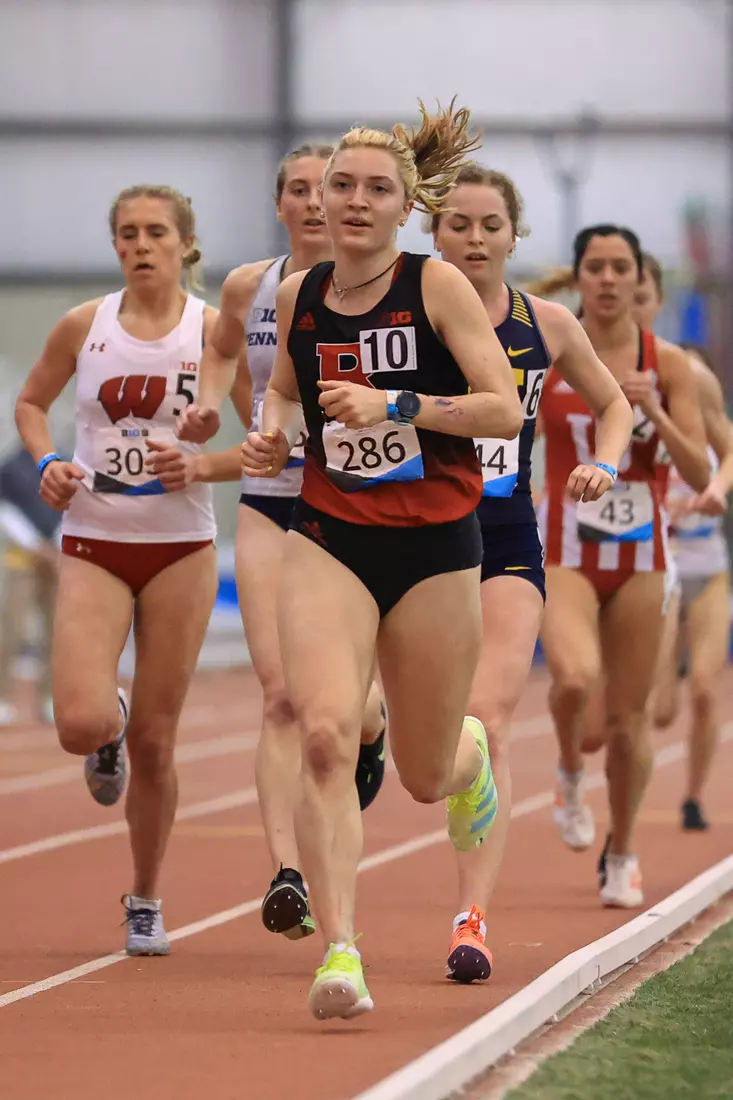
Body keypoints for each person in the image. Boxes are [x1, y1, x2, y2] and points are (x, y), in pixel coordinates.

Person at [242, 99, 610, 1021]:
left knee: (422, 771)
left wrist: (396, 405)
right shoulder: (298, 295)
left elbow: (500, 410)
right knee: (325, 734)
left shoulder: (436, 285)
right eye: (341, 186)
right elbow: (284, 394)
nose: (354, 202)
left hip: (441, 544)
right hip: (329, 532)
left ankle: (472, 759)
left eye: (375, 190)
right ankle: (342, 952)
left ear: (405, 206)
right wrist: (269, 433)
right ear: (318, 199)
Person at [175, 143, 387, 942]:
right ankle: (285, 874)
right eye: (296, 190)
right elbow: (226, 351)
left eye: (320, 188)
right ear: (280, 204)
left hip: (356, 507)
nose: (309, 202)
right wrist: (217, 412)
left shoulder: (371, 286)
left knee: (351, 704)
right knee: (281, 697)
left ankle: (373, 728)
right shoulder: (247, 286)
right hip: (272, 503)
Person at [428, 164, 632, 982]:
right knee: (378, 725)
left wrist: (606, 466)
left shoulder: (543, 323)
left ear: (514, 236)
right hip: (405, 534)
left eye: (488, 225)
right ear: (432, 234)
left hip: (502, 530)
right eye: (457, 225)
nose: (473, 240)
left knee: (487, 720)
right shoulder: (404, 315)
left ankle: (470, 917)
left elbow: (612, 402)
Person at [14, 185, 224, 955]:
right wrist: (47, 461)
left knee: (160, 746)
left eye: (156, 233)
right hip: (96, 536)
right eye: (128, 234)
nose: (141, 245)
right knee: (80, 723)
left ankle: (145, 896)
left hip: (179, 548)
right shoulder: (85, 324)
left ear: (184, 244)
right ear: (116, 247)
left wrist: (201, 438)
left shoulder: (210, 330)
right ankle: (111, 725)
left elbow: (230, 410)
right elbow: (32, 403)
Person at [533, 225, 709, 908]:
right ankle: (570, 769)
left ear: (639, 280)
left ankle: (623, 851)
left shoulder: (664, 362)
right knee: (574, 681)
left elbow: (697, 467)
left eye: (619, 268)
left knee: (631, 720)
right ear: (577, 277)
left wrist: (654, 410)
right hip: (566, 548)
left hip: (642, 551)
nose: (607, 280)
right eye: (595, 267)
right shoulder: (548, 348)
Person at [652, 343, 733, 830]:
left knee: (705, 689)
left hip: (708, 569)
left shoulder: (711, 431)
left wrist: (713, 493)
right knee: (660, 711)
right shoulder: (654, 426)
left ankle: (694, 797)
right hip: (664, 570)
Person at [0, 444, 63, 725]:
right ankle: (3, 700)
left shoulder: (63, 464)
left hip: (57, 558)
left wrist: (57, 546)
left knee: (55, 632)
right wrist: (36, 545)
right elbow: (5, 510)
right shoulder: (11, 467)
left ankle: (48, 699)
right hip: (21, 561)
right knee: (10, 631)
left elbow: (72, 508)